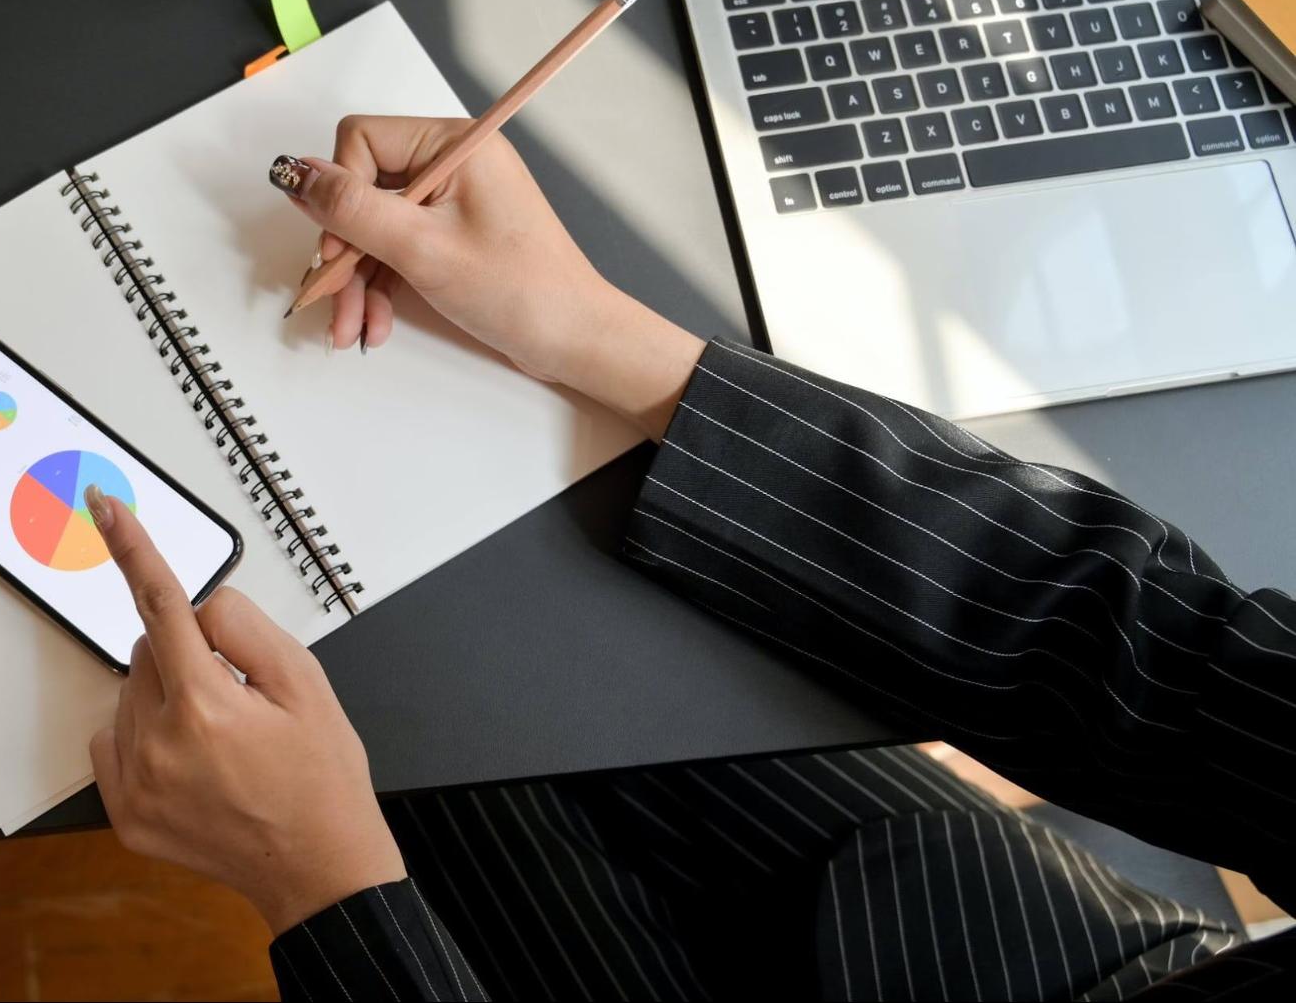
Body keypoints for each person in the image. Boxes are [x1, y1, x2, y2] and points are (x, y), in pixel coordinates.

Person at [78, 116, 1296, 1001]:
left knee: (374, 726)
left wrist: (325, 895)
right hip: (984, 923)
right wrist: (607, 341)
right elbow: (1152, 660)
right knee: (472, 689)